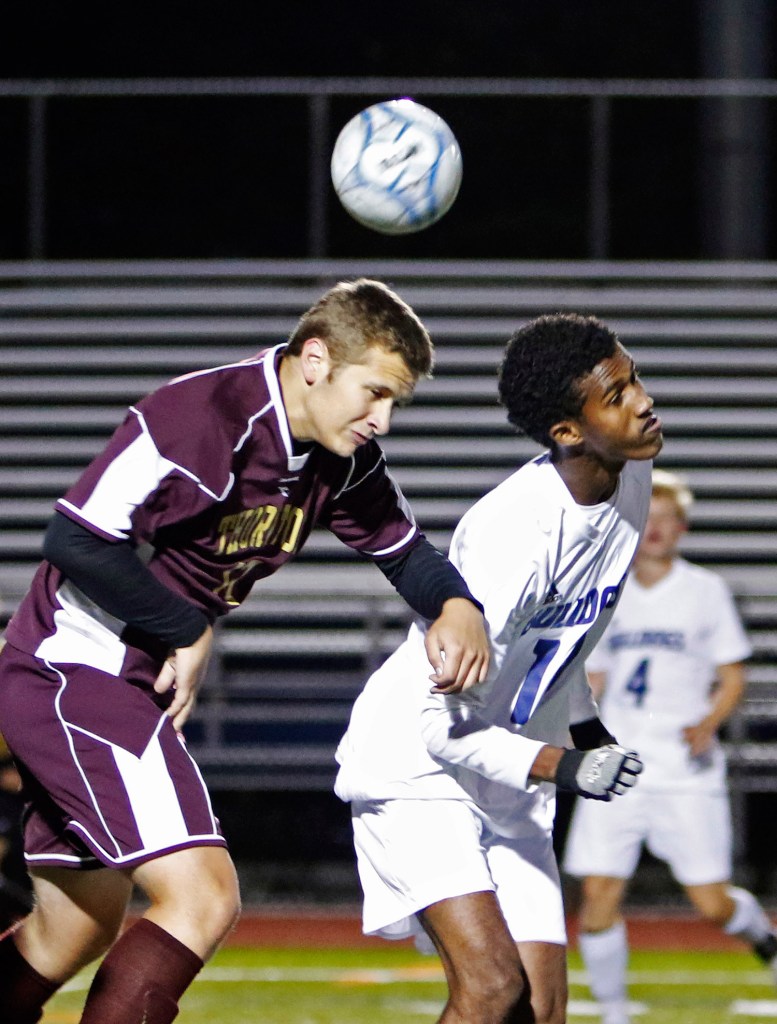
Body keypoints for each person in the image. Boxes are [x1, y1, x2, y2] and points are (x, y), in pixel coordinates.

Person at [0, 277, 490, 1024]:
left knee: (69, 930)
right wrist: (186, 627)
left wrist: (456, 605)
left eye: (396, 402)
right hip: (75, 674)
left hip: (123, 688)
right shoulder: (197, 416)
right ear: (316, 359)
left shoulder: (337, 454)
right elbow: (76, 539)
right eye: (374, 392)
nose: (382, 419)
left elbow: (404, 551)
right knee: (203, 895)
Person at [335, 312, 664, 1024]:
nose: (641, 399)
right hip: (418, 764)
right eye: (616, 394)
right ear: (566, 432)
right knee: (490, 990)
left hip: (506, 773)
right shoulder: (514, 533)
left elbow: (563, 636)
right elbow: (437, 727)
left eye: (633, 377)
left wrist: (585, 728)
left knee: (541, 1011)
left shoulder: (632, 475)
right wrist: (565, 765)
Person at [563, 469, 777, 1024]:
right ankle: (613, 1011)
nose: (654, 530)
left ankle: (757, 930)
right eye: (645, 519)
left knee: (711, 903)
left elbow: (733, 674)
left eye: (665, 520)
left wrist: (709, 721)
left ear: (681, 528)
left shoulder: (704, 591)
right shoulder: (605, 591)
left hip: (685, 765)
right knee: (599, 892)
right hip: (617, 761)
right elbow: (596, 676)